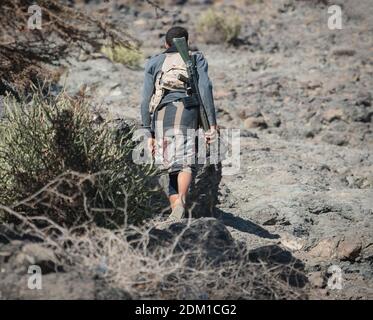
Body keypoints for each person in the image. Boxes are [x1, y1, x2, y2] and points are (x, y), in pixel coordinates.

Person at [140, 26, 217, 220]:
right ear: (187, 43)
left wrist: (147, 130)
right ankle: (181, 202)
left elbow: (144, 100)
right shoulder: (195, 58)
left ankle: (175, 209)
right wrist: (212, 124)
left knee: (170, 164)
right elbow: (205, 88)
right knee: (184, 161)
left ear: (165, 44)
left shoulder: (154, 61)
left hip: (160, 115)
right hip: (186, 111)